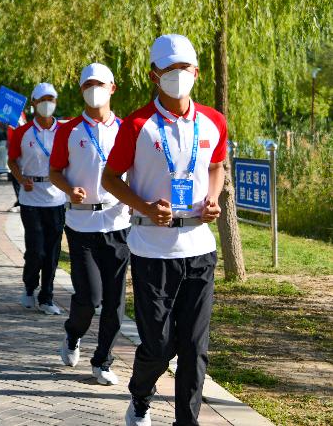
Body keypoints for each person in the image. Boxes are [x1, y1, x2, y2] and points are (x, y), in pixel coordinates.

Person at [100, 34, 226, 426]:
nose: (177, 75)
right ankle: (141, 395)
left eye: (184, 67)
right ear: (154, 75)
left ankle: (186, 421)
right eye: (168, 69)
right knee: (158, 344)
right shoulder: (138, 125)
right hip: (152, 250)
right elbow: (110, 178)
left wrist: (212, 199)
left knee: (194, 347)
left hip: (200, 248)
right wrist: (145, 208)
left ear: (196, 72)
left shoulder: (213, 121)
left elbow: (216, 166)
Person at [48, 63, 130, 386]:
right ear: (81, 90)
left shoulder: (126, 129)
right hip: (81, 224)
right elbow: (55, 171)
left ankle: (103, 361)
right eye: (87, 85)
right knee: (89, 297)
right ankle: (73, 333)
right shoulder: (68, 130)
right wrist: (70, 189)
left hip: (118, 222)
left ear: (112, 88)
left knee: (115, 301)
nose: (94, 90)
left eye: (100, 84)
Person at [7, 83, 68, 315]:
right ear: (33, 102)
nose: (47, 104)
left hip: (56, 198)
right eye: (42, 99)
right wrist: (22, 179)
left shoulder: (64, 131)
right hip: (31, 198)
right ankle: (29, 286)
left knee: (52, 251)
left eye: (50, 99)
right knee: (36, 250)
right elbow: (12, 160)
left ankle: (47, 297)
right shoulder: (22, 132)